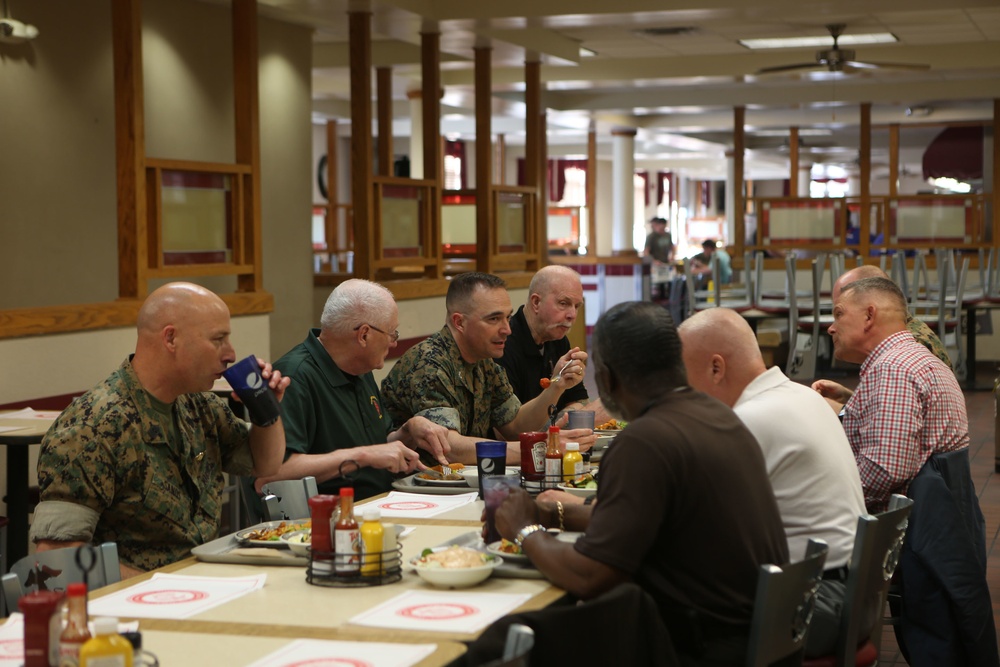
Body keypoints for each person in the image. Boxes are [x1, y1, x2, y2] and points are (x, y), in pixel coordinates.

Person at [494, 301, 788, 665]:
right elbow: (646, 522)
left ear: (608, 378)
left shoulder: (646, 441)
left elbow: (589, 576)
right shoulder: (719, 416)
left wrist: (525, 529)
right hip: (759, 641)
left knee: (503, 637)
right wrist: (552, 514)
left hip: (702, 649)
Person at [30, 282, 290, 578]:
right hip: (134, 604)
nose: (230, 353)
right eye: (218, 340)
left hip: (200, 582)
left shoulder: (198, 405)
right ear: (171, 338)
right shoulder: (93, 425)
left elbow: (265, 463)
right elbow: (58, 557)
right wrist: (164, 586)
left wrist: (265, 408)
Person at [678, 307, 868, 657]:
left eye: (685, 380)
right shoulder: (801, 395)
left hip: (813, 603)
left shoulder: (750, 419)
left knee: (665, 615)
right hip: (851, 592)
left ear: (716, 368)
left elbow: (692, 518)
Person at [256, 280, 451, 501]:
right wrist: (362, 456)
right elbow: (271, 475)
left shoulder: (360, 367)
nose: (394, 343)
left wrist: (408, 430)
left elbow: (379, 447)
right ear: (364, 335)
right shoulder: (293, 377)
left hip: (383, 502)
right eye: (392, 333)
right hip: (328, 517)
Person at [381, 272, 596, 465]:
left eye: (508, 317)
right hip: (410, 487)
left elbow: (515, 426)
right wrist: (540, 447)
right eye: (494, 319)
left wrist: (556, 386)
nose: (507, 330)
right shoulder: (429, 362)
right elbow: (450, 449)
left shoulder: (484, 362)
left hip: (454, 483)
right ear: (459, 322)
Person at [814, 276, 968, 513]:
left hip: (904, 535)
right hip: (937, 522)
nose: (831, 327)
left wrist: (825, 500)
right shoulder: (916, 357)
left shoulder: (893, 368)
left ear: (869, 316)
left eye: (839, 314)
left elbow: (885, 470)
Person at [496, 265, 608, 424]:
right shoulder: (504, 345)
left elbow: (578, 400)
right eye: (563, 303)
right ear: (536, 302)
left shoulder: (557, 338)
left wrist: (566, 420)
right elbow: (512, 428)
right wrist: (569, 420)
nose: (572, 315)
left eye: (576, 306)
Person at [644, 216, 674, 300]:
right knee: (659, 282)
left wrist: (671, 256)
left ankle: (668, 298)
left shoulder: (668, 235)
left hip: (666, 262)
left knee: (669, 280)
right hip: (656, 263)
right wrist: (653, 261)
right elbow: (646, 251)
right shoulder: (651, 237)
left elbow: (672, 247)